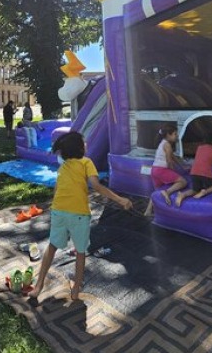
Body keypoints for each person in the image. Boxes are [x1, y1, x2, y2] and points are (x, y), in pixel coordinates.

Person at [28, 131, 133, 302]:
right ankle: (76, 289)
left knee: (52, 246)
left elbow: (57, 189)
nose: (86, 144)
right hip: (79, 214)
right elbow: (97, 186)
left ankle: (38, 285)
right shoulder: (86, 162)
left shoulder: (64, 166)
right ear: (79, 147)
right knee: (80, 251)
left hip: (59, 211)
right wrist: (121, 200)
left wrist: (54, 206)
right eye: (83, 142)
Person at [147, 123, 188, 213]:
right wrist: (174, 171)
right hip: (161, 170)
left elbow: (173, 157)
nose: (177, 136)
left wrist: (183, 166)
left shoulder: (163, 143)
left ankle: (148, 211)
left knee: (157, 191)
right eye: (175, 134)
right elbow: (169, 161)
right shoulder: (167, 145)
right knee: (183, 182)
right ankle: (167, 192)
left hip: (154, 170)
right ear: (168, 135)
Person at [174, 133, 212, 206]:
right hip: (205, 174)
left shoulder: (199, 148)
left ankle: (183, 194)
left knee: (195, 190)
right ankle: (204, 192)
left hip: (194, 173)